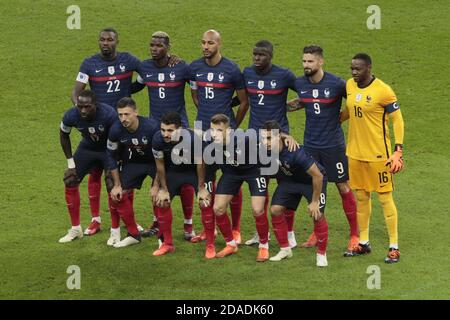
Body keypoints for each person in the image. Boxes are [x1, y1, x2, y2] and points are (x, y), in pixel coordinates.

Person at [288, 45, 359, 255]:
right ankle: (317, 232)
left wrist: (342, 117)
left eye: (310, 61)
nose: (306, 65)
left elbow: (355, 102)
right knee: (316, 188)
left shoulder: (337, 84)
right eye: (303, 61)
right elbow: (304, 101)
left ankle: (355, 234)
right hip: (311, 144)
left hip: (333, 146)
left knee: (342, 186)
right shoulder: (300, 83)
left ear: (320, 62)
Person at [70, 28, 141, 236]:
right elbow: (76, 91)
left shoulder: (128, 60)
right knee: (95, 172)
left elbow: (148, 72)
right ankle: (95, 220)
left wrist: (130, 87)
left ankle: (128, 222)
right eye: (102, 39)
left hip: (120, 126)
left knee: (122, 175)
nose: (105, 43)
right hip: (99, 126)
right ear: (98, 41)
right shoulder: (89, 63)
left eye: (110, 40)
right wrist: (82, 111)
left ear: (117, 41)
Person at [341, 53, 404, 263]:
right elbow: (351, 109)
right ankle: (364, 243)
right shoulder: (350, 85)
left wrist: (398, 150)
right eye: (352, 68)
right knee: (361, 197)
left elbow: (397, 120)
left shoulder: (383, 90)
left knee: (385, 198)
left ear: (368, 68)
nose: (353, 72)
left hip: (379, 156)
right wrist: (335, 121)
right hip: (355, 154)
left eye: (358, 69)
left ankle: (394, 246)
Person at [132, 31, 195, 240]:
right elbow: (136, 85)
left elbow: (197, 85)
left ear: (168, 47)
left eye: (159, 45)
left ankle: (188, 225)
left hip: (180, 129)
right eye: (151, 45)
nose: (153, 49)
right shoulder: (145, 67)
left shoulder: (181, 67)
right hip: (154, 129)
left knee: (185, 176)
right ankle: (157, 222)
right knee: (156, 175)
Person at [189, 30, 249, 244]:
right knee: (205, 178)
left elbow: (243, 102)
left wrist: (233, 125)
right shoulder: (195, 68)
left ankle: (236, 229)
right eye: (203, 42)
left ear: (219, 44)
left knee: (232, 177)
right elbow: (194, 94)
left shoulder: (232, 69)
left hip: (226, 134)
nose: (206, 46)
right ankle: (209, 229)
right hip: (202, 130)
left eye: (210, 43)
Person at [242, 40, 298, 248]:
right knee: (260, 186)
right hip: (256, 140)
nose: (257, 58)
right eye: (255, 54)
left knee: (287, 186)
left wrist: (292, 106)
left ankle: (290, 233)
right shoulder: (247, 73)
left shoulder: (283, 75)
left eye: (262, 55)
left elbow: (306, 91)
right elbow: (239, 95)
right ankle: (260, 233)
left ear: (271, 56)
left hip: (279, 140)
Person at [260, 121, 329, 267]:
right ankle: (285, 249)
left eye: (268, 138)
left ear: (278, 137)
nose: (264, 142)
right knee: (275, 210)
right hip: (290, 180)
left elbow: (318, 176)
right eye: (263, 138)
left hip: (311, 181)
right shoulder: (265, 148)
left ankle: (321, 254)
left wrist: (315, 201)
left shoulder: (296, 153)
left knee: (317, 214)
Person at [208, 114, 270, 262]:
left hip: (254, 172)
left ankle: (263, 246)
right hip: (232, 172)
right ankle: (230, 244)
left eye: (219, 130)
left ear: (228, 131)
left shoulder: (246, 139)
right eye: (212, 130)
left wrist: (286, 137)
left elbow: (270, 137)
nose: (214, 134)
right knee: (218, 208)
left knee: (257, 209)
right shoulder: (210, 141)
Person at [58, 90, 117, 243]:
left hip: (108, 149)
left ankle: (115, 231)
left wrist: (114, 164)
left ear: (95, 105)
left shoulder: (109, 114)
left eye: (87, 107)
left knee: (112, 184)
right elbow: (63, 134)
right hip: (88, 148)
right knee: (70, 180)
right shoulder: (71, 115)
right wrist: (71, 164)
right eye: (80, 106)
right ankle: (76, 229)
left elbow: (117, 139)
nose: (83, 110)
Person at [152, 112, 212, 257]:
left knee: (205, 202)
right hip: (174, 171)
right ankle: (168, 244)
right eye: (163, 130)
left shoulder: (192, 139)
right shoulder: (157, 140)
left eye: (170, 130)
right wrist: (163, 189)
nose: (165, 134)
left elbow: (200, 164)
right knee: (162, 201)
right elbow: (160, 166)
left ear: (180, 129)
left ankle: (210, 245)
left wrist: (202, 188)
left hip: (194, 171)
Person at [106, 97, 160, 247]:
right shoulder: (116, 129)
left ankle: (163, 235)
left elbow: (162, 158)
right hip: (135, 162)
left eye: (127, 114)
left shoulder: (151, 127)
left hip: (155, 162)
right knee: (118, 194)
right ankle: (133, 234)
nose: (123, 118)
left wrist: (156, 185)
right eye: (120, 115)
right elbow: (111, 155)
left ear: (136, 112)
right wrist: (117, 184)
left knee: (160, 194)